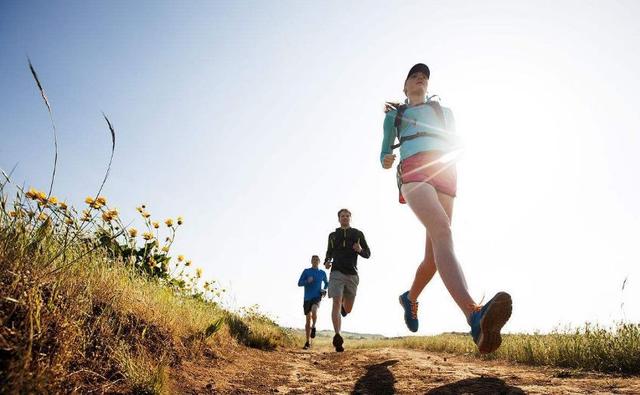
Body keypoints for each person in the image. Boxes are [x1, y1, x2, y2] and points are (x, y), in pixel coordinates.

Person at [380, 63, 512, 354]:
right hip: (414, 171)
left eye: (424, 75)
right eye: (414, 75)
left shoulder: (444, 112)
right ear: (405, 87)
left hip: (445, 172)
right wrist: (387, 159)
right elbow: (384, 153)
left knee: (432, 257)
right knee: (442, 232)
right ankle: (474, 315)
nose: (420, 77)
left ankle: (410, 298)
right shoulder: (395, 115)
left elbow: (453, 142)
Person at [324, 208, 370, 352]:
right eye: (342, 216)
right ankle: (338, 336)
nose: (345, 218)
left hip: (352, 274)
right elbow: (328, 252)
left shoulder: (357, 234)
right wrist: (327, 261)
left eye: (347, 216)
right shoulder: (332, 235)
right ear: (339, 219)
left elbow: (368, 254)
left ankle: (344, 309)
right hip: (336, 272)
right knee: (336, 301)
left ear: (350, 218)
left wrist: (360, 250)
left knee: (347, 309)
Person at [297, 255, 328, 349]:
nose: (315, 261)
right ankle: (307, 342)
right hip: (307, 298)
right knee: (307, 319)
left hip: (317, 296)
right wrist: (307, 281)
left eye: (316, 260)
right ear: (311, 261)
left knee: (314, 310)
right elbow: (299, 283)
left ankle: (313, 326)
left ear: (319, 261)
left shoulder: (322, 273)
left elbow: (327, 283)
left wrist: (324, 289)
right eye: (313, 260)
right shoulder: (306, 271)